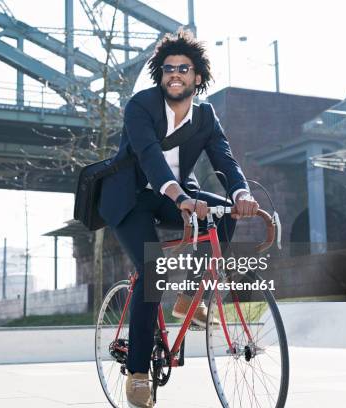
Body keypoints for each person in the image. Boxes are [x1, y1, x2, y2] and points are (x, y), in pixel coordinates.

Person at [98, 28, 259, 408]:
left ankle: (189, 297)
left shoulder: (205, 116)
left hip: (177, 195)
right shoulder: (140, 106)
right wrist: (180, 196)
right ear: (161, 74)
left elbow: (224, 157)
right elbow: (150, 157)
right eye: (168, 68)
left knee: (224, 213)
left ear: (197, 76)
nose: (175, 73)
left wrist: (242, 194)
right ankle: (137, 373)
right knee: (152, 272)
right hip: (132, 198)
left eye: (184, 68)